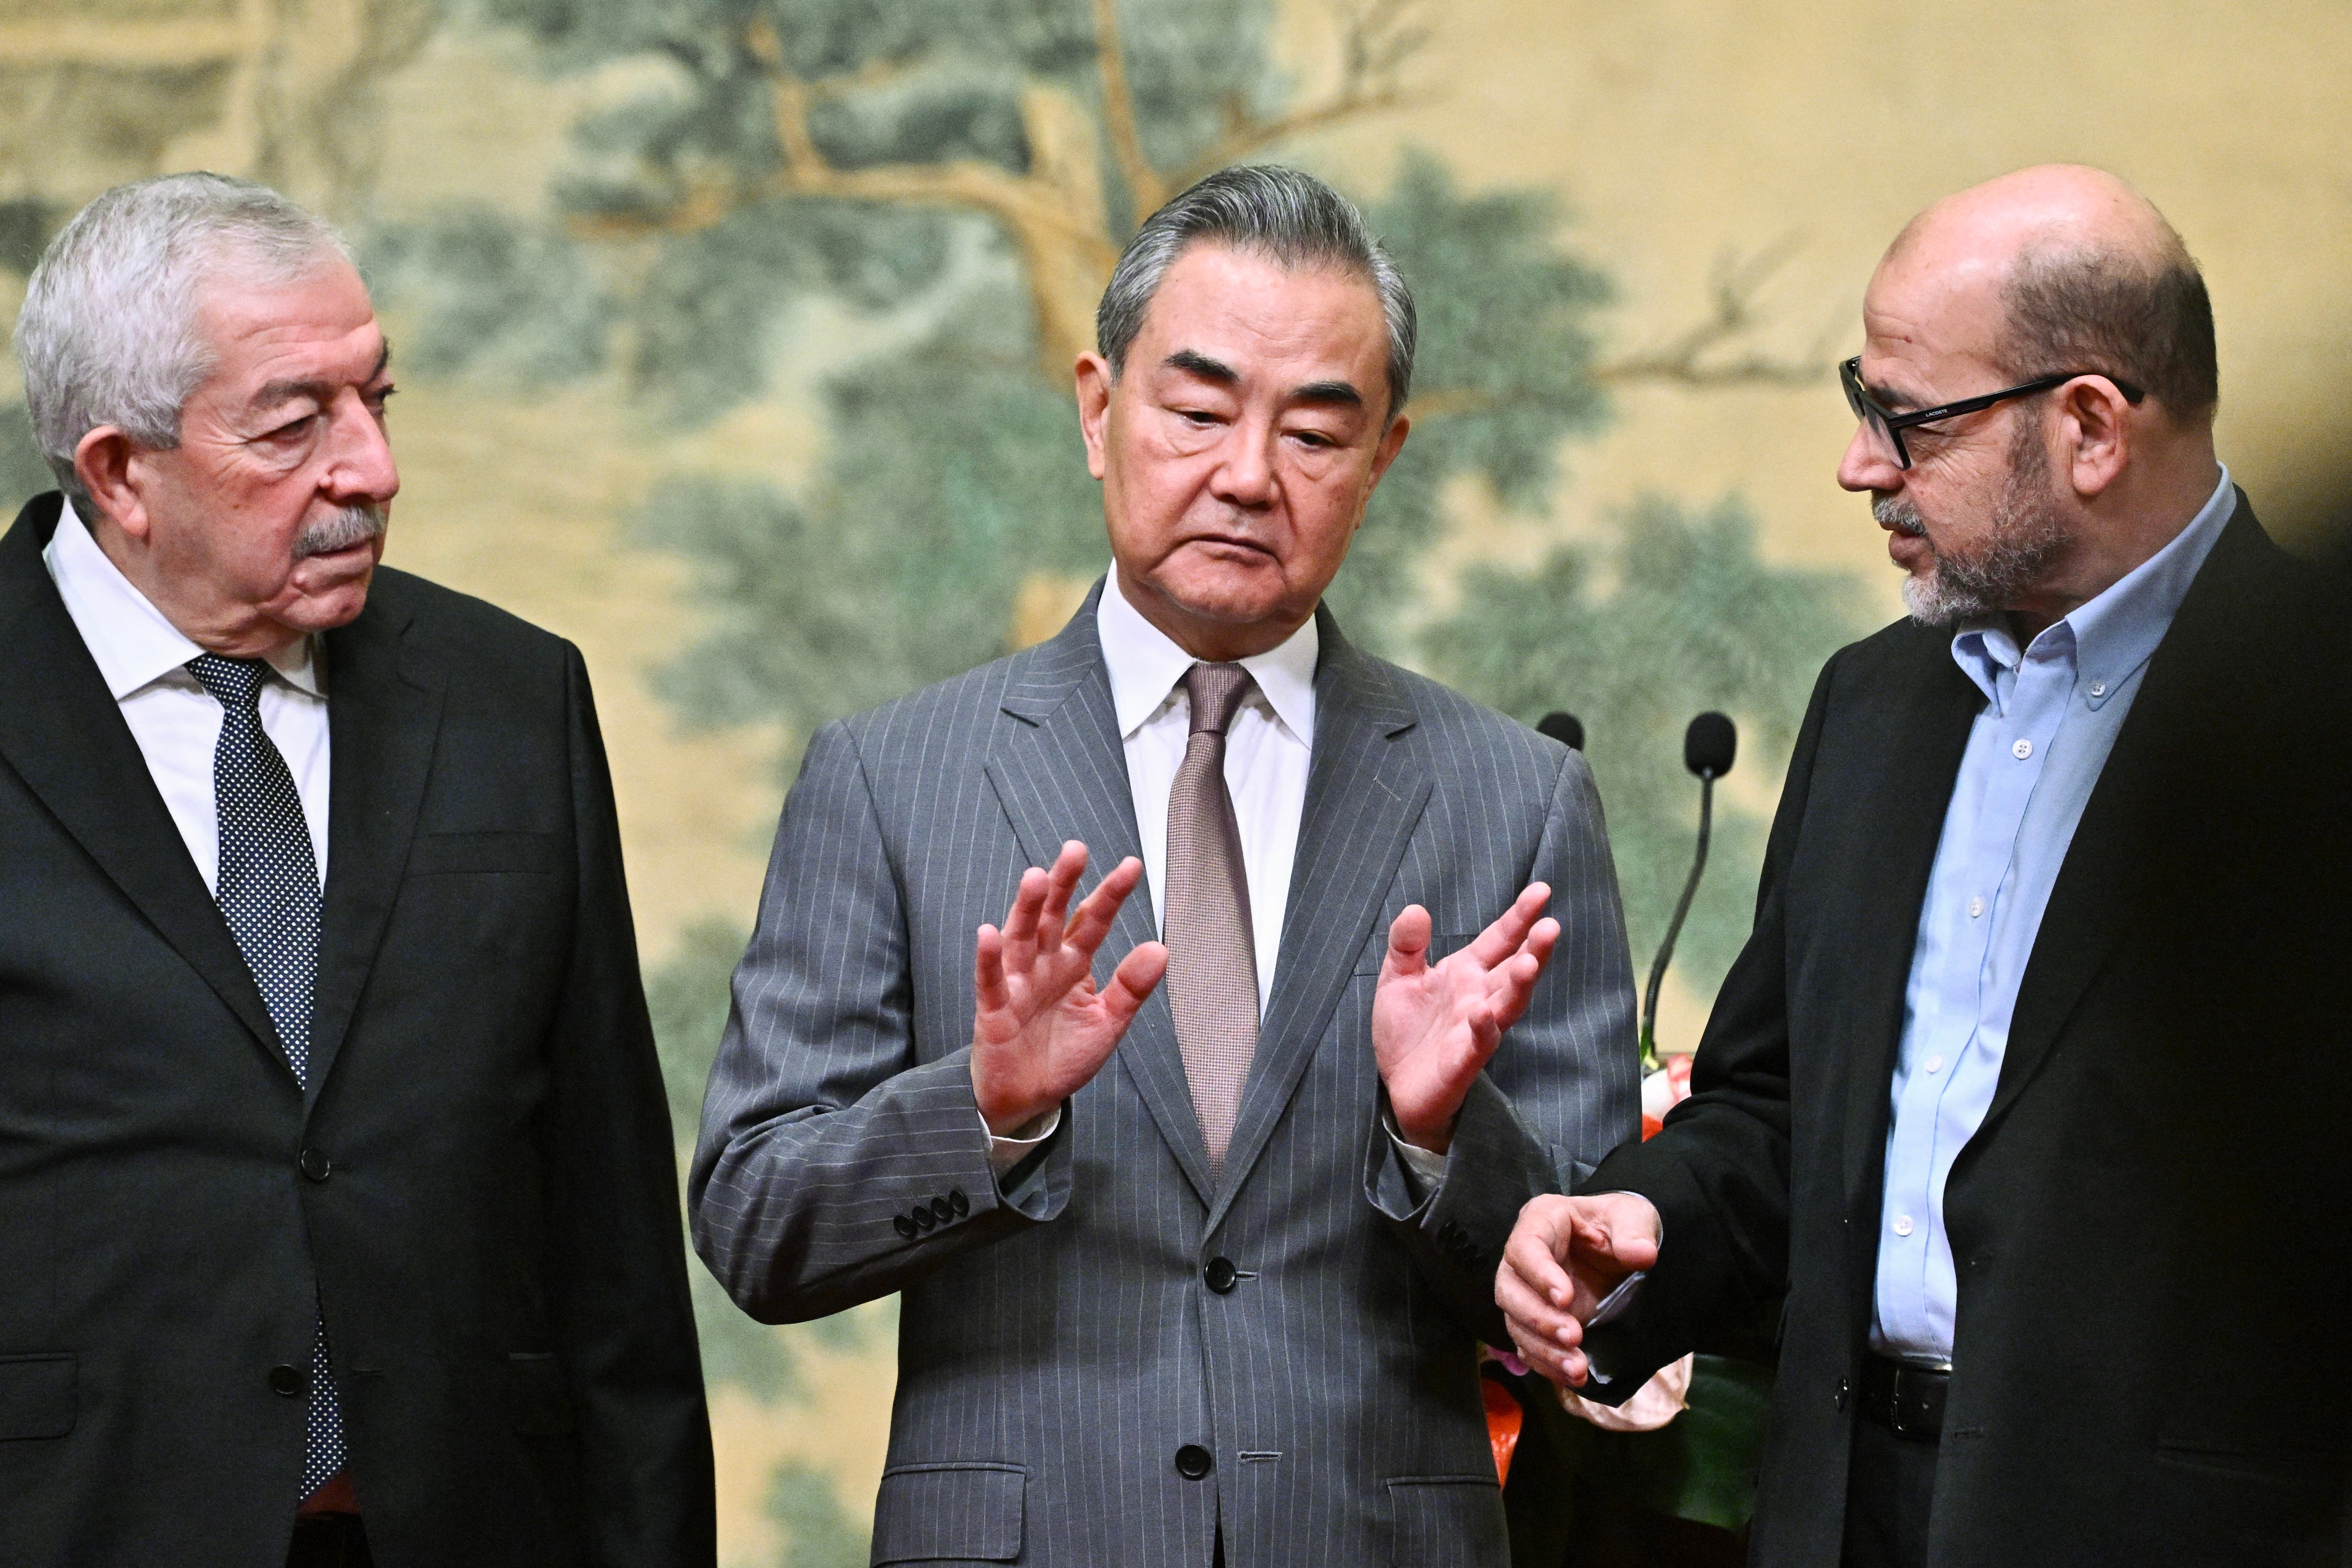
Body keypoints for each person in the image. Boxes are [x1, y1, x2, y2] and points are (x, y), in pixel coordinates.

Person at [691, 165, 1639, 1567]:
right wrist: (986, 1109)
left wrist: (1443, 1139)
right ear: (1098, 408)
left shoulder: (1515, 797)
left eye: (1317, 433)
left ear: (1381, 461)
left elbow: (1598, 1296)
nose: (1248, 474)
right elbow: (759, 1221)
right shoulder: (893, 779)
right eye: (1197, 412)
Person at [1496, 164, 2352, 1568]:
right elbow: (1774, 1109)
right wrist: (1648, 1218)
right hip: (1846, 1510)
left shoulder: (2308, 723)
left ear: (2089, 427)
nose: (1861, 464)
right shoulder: (1873, 704)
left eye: (1909, 420)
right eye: (1861, 401)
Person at [0, 174, 714, 1566]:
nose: (371, 468)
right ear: (118, 473)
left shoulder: (514, 698)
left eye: (377, 401)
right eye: (294, 424)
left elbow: (613, 1250)